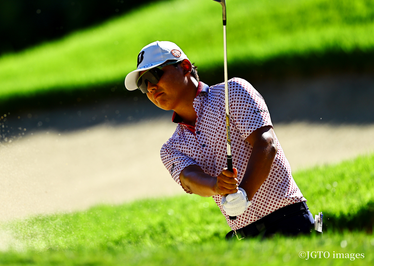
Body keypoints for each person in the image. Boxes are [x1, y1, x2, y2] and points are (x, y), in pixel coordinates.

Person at [124, 40, 317, 239]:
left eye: (153, 75)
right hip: (247, 240)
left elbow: (266, 143)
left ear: (185, 67)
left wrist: (245, 193)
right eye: (142, 84)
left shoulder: (232, 92)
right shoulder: (172, 148)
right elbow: (189, 179)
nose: (150, 88)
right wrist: (217, 185)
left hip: (291, 222)